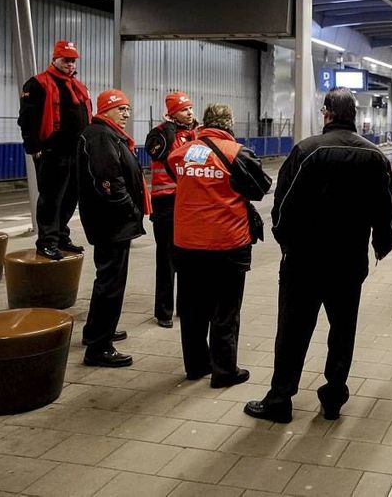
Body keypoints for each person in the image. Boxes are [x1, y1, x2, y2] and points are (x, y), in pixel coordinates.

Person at [245, 88, 392, 423]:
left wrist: (286, 244)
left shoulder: (307, 150)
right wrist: (382, 244)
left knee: (293, 331)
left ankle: (280, 400)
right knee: (342, 331)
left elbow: (283, 205)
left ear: (326, 112)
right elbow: (383, 207)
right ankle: (333, 399)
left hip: (304, 261)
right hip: (349, 260)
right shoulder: (374, 155)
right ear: (353, 114)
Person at [167, 104, 272, 388]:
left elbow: (174, 170)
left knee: (191, 308)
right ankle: (224, 371)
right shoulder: (236, 153)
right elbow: (262, 187)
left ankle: (196, 366)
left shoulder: (181, 153)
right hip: (227, 243)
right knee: (225, 309)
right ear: (230, 124)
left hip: (186, 243)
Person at [76, 89, 147, 367]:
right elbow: (108, 180)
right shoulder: (101, 136)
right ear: (105, 111)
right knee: (111, 284)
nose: (127, 114)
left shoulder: (106, 134)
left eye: (128, 109)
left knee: (107, 280)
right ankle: (98, 348)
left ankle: (97, 331)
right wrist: (130, 208)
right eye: (121, 109)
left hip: (112, 221)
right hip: (111, 222)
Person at [18, 40, 92, 260]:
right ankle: (46, 242)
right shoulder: (37, 84)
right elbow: (26, 119)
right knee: (51, 199)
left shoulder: (78, 86)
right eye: (65, 60)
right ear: (54, 59)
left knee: (71, 198)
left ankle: (60, 235)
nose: (70, 64)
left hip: (76, 153)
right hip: (52, 152)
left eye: (72, 60)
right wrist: (34, 147)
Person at [144, 91, 197, 329]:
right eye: (185, 109)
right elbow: (165, 156)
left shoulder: (195, 133)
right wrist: (173, 132)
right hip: (165, 202)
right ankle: (163, 311)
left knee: (187, 257)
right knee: (166, 259)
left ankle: (184, 306)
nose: (190, 112)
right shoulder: (160, 134)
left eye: (191, 108)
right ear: (173, 112)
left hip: (187, 202)